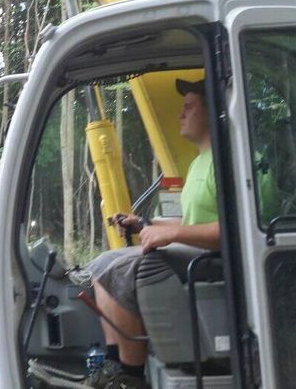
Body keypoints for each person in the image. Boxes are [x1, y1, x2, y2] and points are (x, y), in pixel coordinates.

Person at [84, 78, 219, 389]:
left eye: (189, 107)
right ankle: (113, 363)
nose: (180, 114)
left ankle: (131, 377)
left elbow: (232, 231)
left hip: (216, 259)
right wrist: (145, 225)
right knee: (101, 264)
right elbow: (193, 221)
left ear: (213, 113)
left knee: (130, 265)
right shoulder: (200, 163)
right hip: (199, 253)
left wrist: (169, 236)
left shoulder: (227, 164)